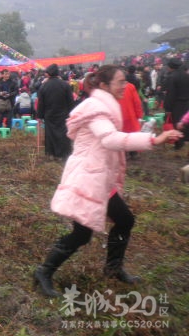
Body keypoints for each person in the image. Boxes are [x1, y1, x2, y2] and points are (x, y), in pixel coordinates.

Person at [33, 65, 182, 298]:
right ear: (104, 86)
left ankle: (112, 268)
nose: (125, 86)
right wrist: (154, 140)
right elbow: (110, 139)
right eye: (120, 82)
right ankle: (44, 272)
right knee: (82, 234)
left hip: (100, 179)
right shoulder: (96, 110)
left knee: (124, 220)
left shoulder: (104, 107)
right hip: (88, 178)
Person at [37, 64, 74, 160]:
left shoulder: (44, 86)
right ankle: (63, 154)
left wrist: (40, 116)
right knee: (63, 134)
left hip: (49, 114)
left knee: (50, 134)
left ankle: (51, 154)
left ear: (48, 74)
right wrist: (71, 113)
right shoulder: (65, 85)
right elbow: (70, 101)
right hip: (63, 114)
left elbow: (41, 103)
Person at [163, 58, 189, 150]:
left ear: (171, 67)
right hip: (186, 103)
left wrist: (168, 108)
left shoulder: (172, 77)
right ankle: (185, 139)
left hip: (176, 104)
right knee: (184, 122)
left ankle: (178, 143)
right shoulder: (186, 75)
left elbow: (171, 94)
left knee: (176, 123)